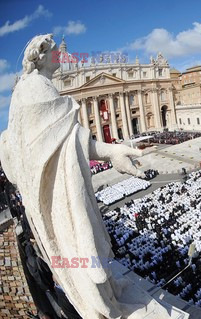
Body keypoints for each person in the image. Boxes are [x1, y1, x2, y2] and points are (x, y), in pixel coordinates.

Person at [0, 34, 158, 319]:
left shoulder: (34, 88)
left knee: (81, 251)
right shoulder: (35, 89)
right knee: (79, 246)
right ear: (41, 56)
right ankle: (102, 307)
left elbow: (64, 138)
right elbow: (62, 139)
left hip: (58, 189)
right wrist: (109, 151)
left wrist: (109, 151)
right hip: (59, 193)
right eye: (55, 52)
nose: (62, 57)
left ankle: (103, 299)